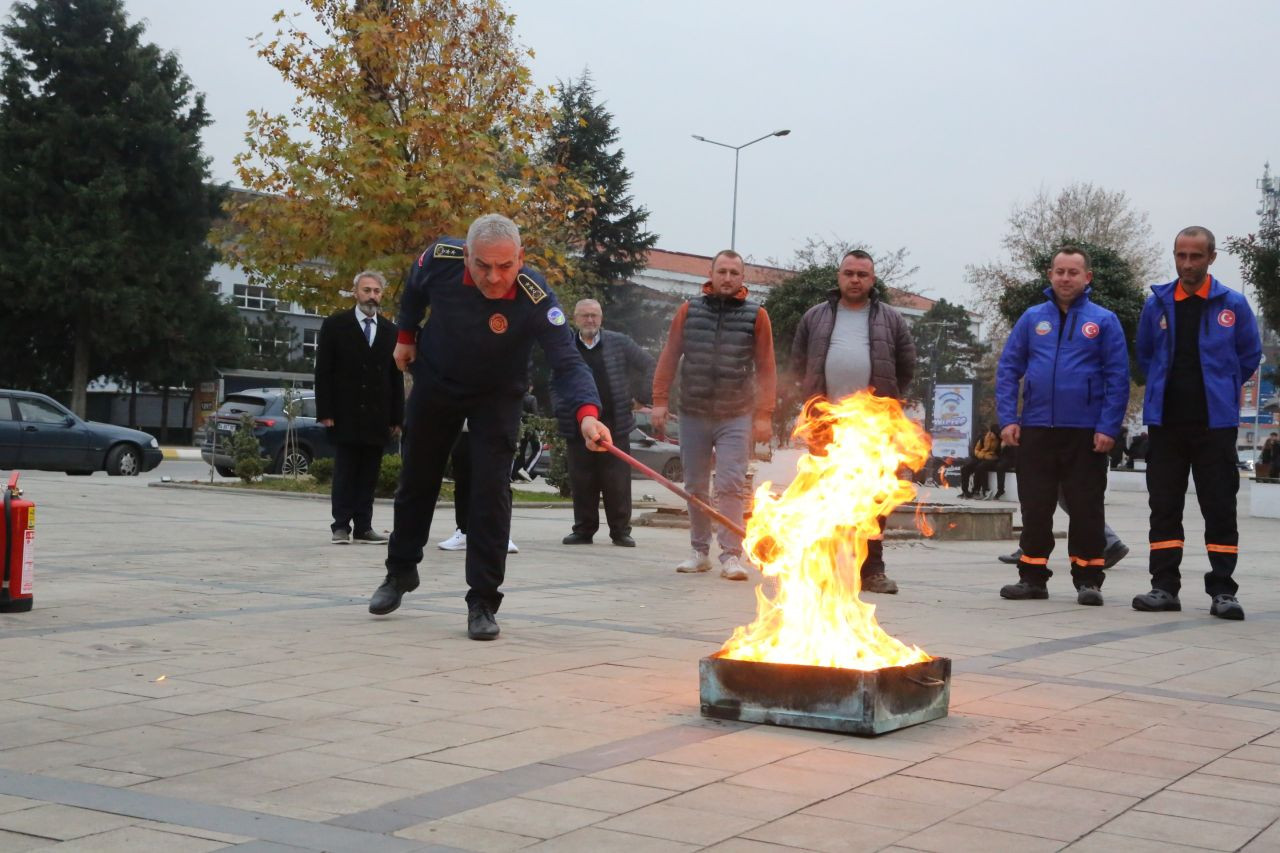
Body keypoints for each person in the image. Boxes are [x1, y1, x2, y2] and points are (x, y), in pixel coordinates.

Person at [369, 214, 609, 640]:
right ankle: (400, 571)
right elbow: (413, 288)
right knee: (417, 480)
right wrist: (405, 334)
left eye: (504, 266)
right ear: (466, 255)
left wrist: (588, 415)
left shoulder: (537, 297)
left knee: (489, 493)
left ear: (520, 258)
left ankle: (482, 600)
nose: (494, 278)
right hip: (436, 381)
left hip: (497, 396)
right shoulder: (438, 258)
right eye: (482, 266)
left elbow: (568, 362)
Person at [1132, 226, 1261, 620]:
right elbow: (1146, 354)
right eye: (1180, 256)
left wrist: (1220, 387)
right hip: (1166, 424)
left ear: (1211, 258)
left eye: (1195, 256)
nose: (1187, 264)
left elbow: (1249, 355)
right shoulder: (1157, 304)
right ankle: (1163, 587)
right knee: (1164, 508)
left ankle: (1223, 591)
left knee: (1220, 507)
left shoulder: (1233, 305)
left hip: (1214, 425)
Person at [996, 246, 1129, 606]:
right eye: (1059, 271)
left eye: (1073, 272)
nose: (1065, 278)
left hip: (1085, 433)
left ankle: (1088, 580)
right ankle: (1032, 578)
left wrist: (1108, 427)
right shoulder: (1031, 319)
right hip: (1036, 428)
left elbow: (1118, 378)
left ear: (1087, 277)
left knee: (1086, 508)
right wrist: (1008, 418)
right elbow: (1009, 369)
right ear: (1050, 275)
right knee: (1035, 508)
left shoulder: (1104, 320)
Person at [789, 249, 916, 593]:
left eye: (862, 274)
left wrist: (887, 400)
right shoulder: (815, 317)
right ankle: (825, 568)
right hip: (825, 423)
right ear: (839, 277)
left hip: (874, 426)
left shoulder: (890, 319)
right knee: (823, 496)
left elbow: (906, 364)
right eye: (849, 273)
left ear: (872, 280)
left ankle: (871, 569)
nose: (855, 279)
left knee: (875, 499)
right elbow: (799, 362)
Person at [652, 249, 776, 581]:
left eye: (734, 273)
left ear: (742, 278)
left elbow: (766, 369)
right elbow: (669, 356)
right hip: (692, 412)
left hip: (735, 414)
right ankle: (699, 552)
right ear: (711, 274)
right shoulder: (688, 311)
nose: (727, 278)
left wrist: (764, 415)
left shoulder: (757, 315)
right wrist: (660, 400)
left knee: (731, 484)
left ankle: (731, 555)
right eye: (722, 271)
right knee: (694, 484)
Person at [557, 298, 656, 548]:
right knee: (582, 480)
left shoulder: (619, 342)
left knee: (617, 481)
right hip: (578, 423)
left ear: (601, 318)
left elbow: (649, 365)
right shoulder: (565, 344)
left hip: (615, 423)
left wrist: (641, 397)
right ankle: (583, 530)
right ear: (574, 318)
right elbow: (556, 380)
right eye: (585, 315)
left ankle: (621, 531)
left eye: (594, 315)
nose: (590, 320)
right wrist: (562, 407)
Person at [315, 270, 404, 544]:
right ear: (355, 292)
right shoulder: (335, 325)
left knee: (369, 474)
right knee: (345, 471)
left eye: (376, 291)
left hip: (377, 415)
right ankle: (340, 526)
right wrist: (326, 412)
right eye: (366, 290)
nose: (372, 296)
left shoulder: (391, 330)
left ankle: (364, 526)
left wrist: (397, 417)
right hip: (345, 413)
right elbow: (324, 372)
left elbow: (395, 375)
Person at [435, 425, 519, 555]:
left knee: (498, 480)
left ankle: (501, 534)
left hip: (497, 422)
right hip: (463, 424)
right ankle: (464, 532)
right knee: (463, 479)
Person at [960, 425, 1000, 498]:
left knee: (980, 467)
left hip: (991, 459)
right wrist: (982, 455)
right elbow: (976, 449)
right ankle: (965, 491)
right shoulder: (983, 438)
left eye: (995, 434)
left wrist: (988, 456)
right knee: (965, 468)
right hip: (980, 457)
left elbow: (999, 454)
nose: (993, 435)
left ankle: (979, 490)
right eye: (993, 433)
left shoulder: (999, 440)